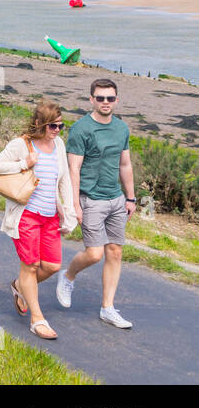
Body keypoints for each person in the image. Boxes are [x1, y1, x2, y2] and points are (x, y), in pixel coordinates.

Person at [0, 100, 76, 341]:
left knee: (52, 266)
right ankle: (37, 319)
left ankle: (19, 286)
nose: (57, 131)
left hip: (50, 217)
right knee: (31, 265)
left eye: (61, 126)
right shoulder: (21, 144)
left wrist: (68, 211)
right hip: (26, 215)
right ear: (39, 124)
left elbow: (65, 179)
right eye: (52, 126)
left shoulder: (58, 144)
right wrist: (24, 164)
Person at [57, 79, 136, 329]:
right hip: (91, 199)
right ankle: (68, 277)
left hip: (116, 199)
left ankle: (108, 308)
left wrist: (131, 197)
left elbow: (125, 164)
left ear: (116, 100)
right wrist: (75, 204)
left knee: (115, 252)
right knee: (94, 253)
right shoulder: (81, 129)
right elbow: (74, 168)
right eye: (100, 98)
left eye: (110, 98)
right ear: (91, 99)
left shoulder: (122, 128)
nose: (105, 102)